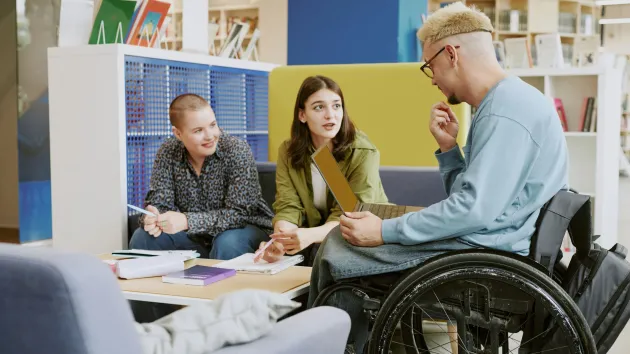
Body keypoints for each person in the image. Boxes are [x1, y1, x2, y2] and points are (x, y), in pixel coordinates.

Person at [307, 3, 569, 353]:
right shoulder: (504, 103)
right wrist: (449, 150)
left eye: (430, 65)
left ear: (451, 54)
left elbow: (472, 210)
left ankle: (318, 345)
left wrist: (384, 231)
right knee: (351, 237)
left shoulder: (506, 111)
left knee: (339, 245)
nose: (432, 78)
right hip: (493, 244)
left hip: (488, 256)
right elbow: (475, 200)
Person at [254, 75, 389, 266]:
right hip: (314, 233)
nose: (330, 115)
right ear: (302, 115)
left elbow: (351, 214)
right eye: (319, 107)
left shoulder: (361, 150)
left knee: (322, 250)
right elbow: (288, 205)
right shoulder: (289, 150)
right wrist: (281, 240)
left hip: (360, 233)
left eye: (336, 106)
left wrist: (309, 235)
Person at [129, 93, 274, 261]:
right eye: (198, 130)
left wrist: (187, 221)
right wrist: (151, 218)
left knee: (227, 242)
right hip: (195, 238)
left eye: (213, 125)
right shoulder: (167, 152)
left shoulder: (236, 150)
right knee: (143, 237)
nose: (210, 135)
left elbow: (239, 214)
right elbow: (160, 203)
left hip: (243, 232)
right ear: (178, 133)